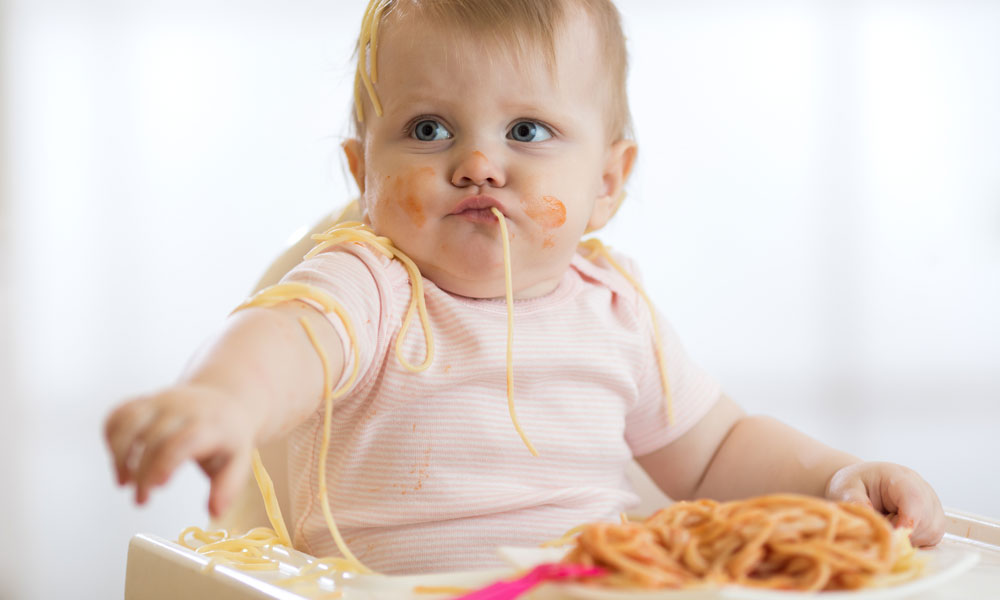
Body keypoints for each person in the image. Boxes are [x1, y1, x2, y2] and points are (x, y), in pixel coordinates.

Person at [104, 0, 945, 574]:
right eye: (428, 129)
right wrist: (223, 400)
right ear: (363, 173)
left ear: (607, 183)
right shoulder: (373, 283)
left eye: (527, 130)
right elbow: (287, 342)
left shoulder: (614, 311)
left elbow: (719, 452)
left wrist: (837, 478)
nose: (477, 163)